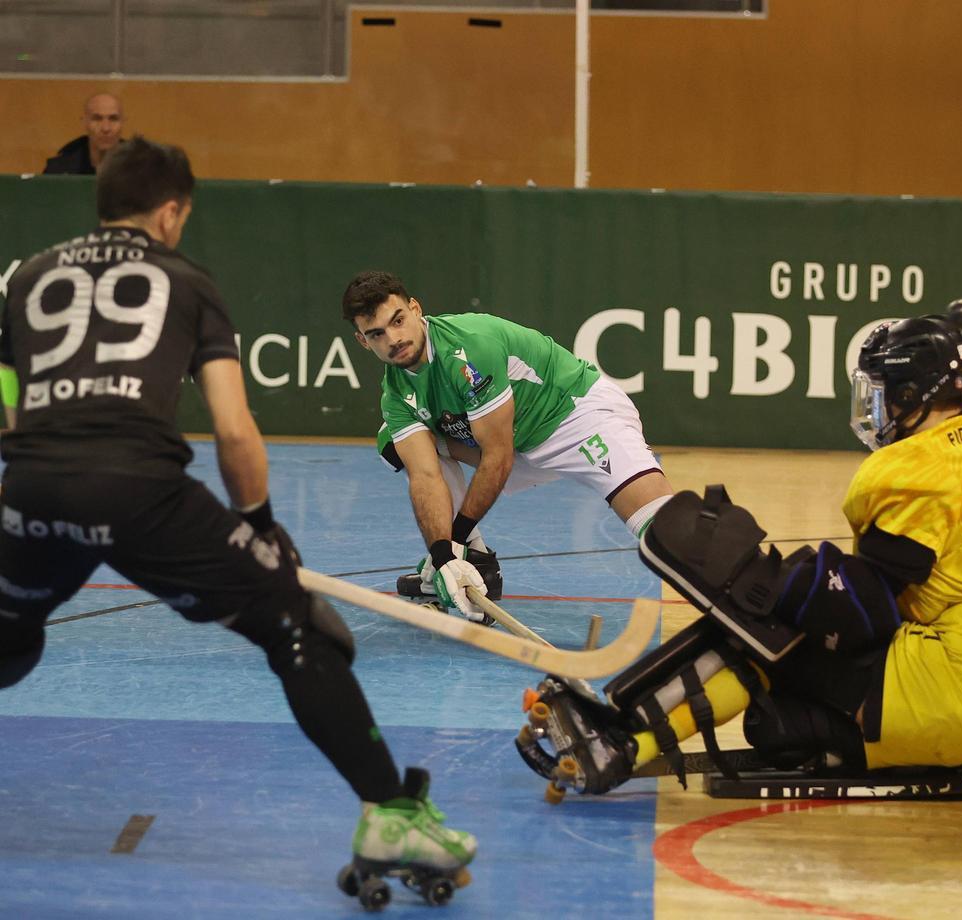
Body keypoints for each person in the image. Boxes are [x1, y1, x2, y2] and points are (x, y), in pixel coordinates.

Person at [1, 137, 476, 895]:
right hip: (141, 493)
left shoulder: (26, 276)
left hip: (32, 489)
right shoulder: (184, 280)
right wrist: (257, 523)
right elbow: (231, 429)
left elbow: (9, 404)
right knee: (303, 628)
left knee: (8, 641)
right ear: (168, 212)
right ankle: (390, 812)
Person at [517, 300, 962, 797]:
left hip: (950, 685)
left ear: (910, 395)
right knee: (777, 723)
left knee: (760, 625)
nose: (871, 407)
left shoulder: (921, 470)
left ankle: (621, 743)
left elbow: (867, 612)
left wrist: (774, 581)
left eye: (879, 392)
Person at [342, 271, 674, 622]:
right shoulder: (396, 394)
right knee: (394, 441)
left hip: (574, 418)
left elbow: (497, 457)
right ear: (363, 341)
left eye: (398, 321)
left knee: (666, 533)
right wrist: (444, 556)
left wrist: (453, 539)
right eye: (377, 333)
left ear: (415, 309)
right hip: (513, 444)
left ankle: (731, 605)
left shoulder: (470, 347)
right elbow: (425, 475)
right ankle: (477, 562)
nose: (393, 338)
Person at [43, 92, 125, 175]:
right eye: (97, 119)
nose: (106, 128)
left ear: (122, 122)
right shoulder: (59, 171)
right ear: (85, 122)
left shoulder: (138, 169)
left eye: (113, 119)